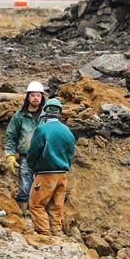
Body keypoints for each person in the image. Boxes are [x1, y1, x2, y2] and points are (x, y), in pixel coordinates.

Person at [27, 98, 76, 236]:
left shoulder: (42, 130)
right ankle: (57, 233)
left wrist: (32, 166)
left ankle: (44, 234)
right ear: (59, 113)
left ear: (46, 112)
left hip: (45, 174)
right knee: (56, 206)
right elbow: (71, 152)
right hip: (62, 174)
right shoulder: (67, 131)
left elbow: (34, 151)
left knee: (36, 204)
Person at [4, 81, 46, 214]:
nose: (35, 98)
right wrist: (10, 155)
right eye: (32, 95)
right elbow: (10, 137)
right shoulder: (19, 116)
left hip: (43, 157)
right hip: (26, 157)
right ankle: (23, 214)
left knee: (42, 187)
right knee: (24, 187)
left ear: (42, 97)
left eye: (38, 95)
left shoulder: (46, 116)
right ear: (28, 97)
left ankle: (39, 214)